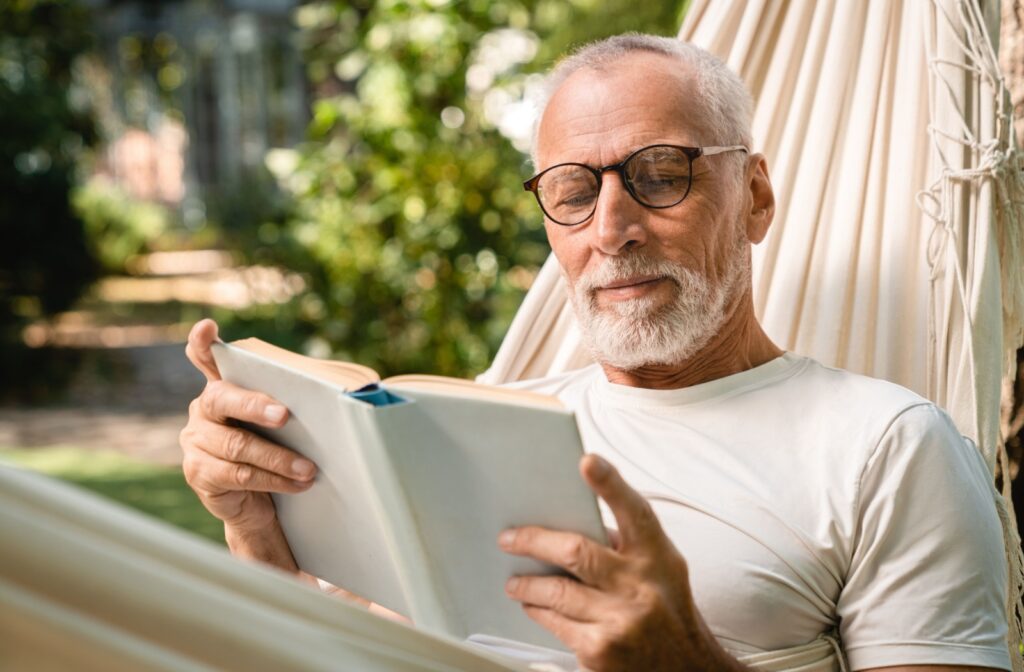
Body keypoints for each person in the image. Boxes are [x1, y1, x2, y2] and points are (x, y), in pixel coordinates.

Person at [179, 34, 1011, 671]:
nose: (612, 229)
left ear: (754, 196)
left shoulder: (887, 447)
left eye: (660, 174)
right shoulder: (493, 419)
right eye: (574, 191)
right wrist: (256, 528)